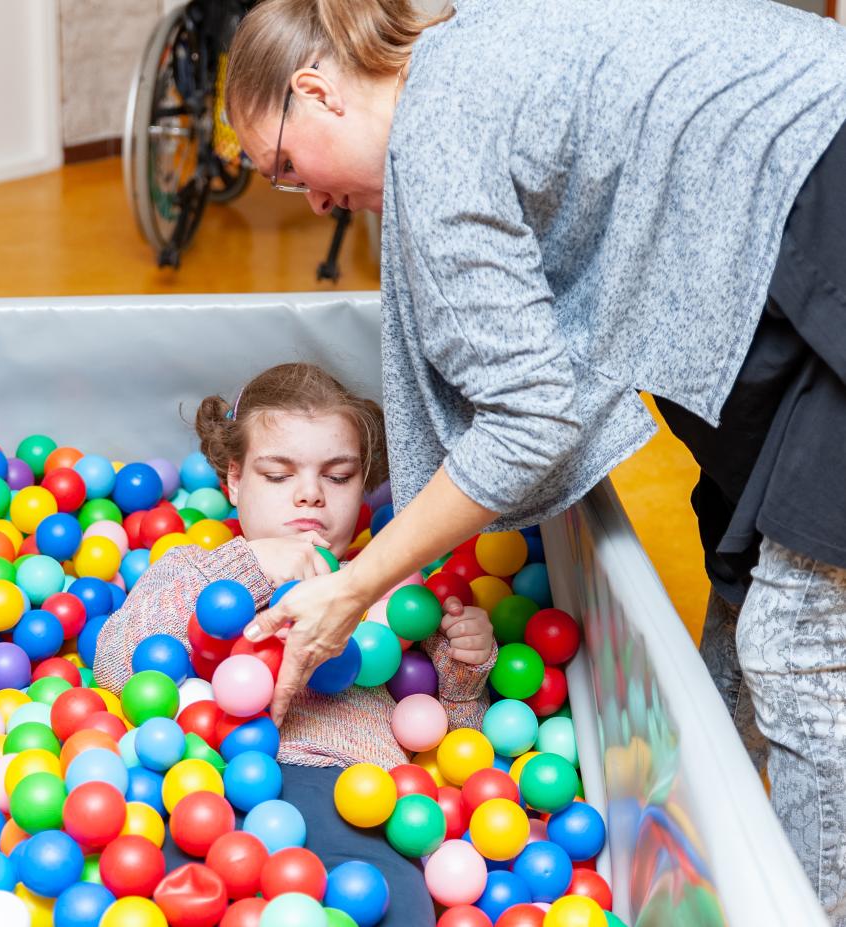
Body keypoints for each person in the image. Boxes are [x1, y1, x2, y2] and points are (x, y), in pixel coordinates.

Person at [222, 0, 846, 920]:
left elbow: (531, 421)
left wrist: (355, 584)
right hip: (790, 195)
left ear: (316, 93)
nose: (310, 199)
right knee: (752, 588)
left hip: (818, 195)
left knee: (797, 654)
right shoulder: (465, 47)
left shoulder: (435, 134)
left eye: (282, 167)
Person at [93, 362, 497, 926]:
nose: (310, 496)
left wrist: (464, 669)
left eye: (337, 477)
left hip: (359, 800)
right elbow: (117, 667)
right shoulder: (196, 567)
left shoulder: (393, 591)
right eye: (279, 475)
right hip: (204, 785)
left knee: (397, 908)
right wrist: (250, 566)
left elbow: (457, 740)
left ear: (362, 485)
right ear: (234, 480)